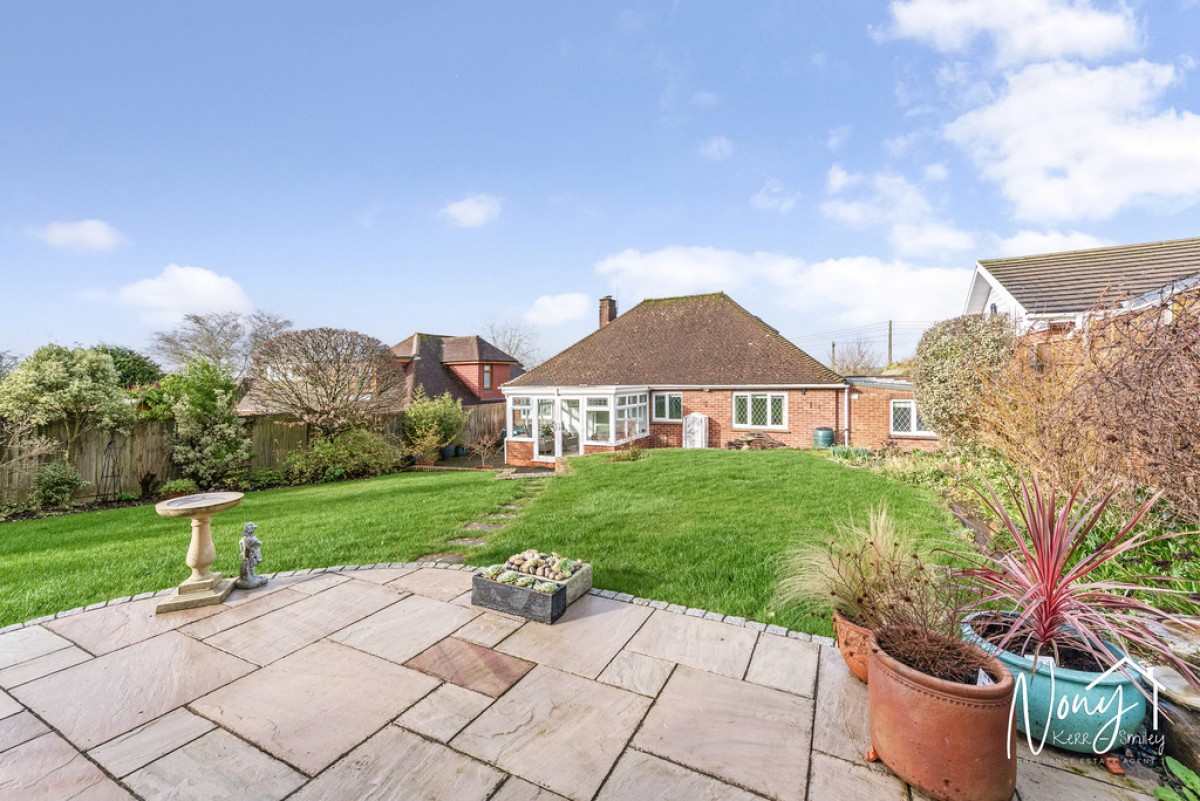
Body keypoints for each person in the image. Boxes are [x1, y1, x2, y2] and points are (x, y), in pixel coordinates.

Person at [236, 522, 268, 589]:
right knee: (251, 564)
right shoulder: (247, 539)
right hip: (250, 555)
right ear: (249, 529)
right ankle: (251, 576)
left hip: (252, 553)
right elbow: (256, 543)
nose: (254, 530)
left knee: (253, 564)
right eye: (253, 528)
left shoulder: (251, 537)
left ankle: (253, 575)